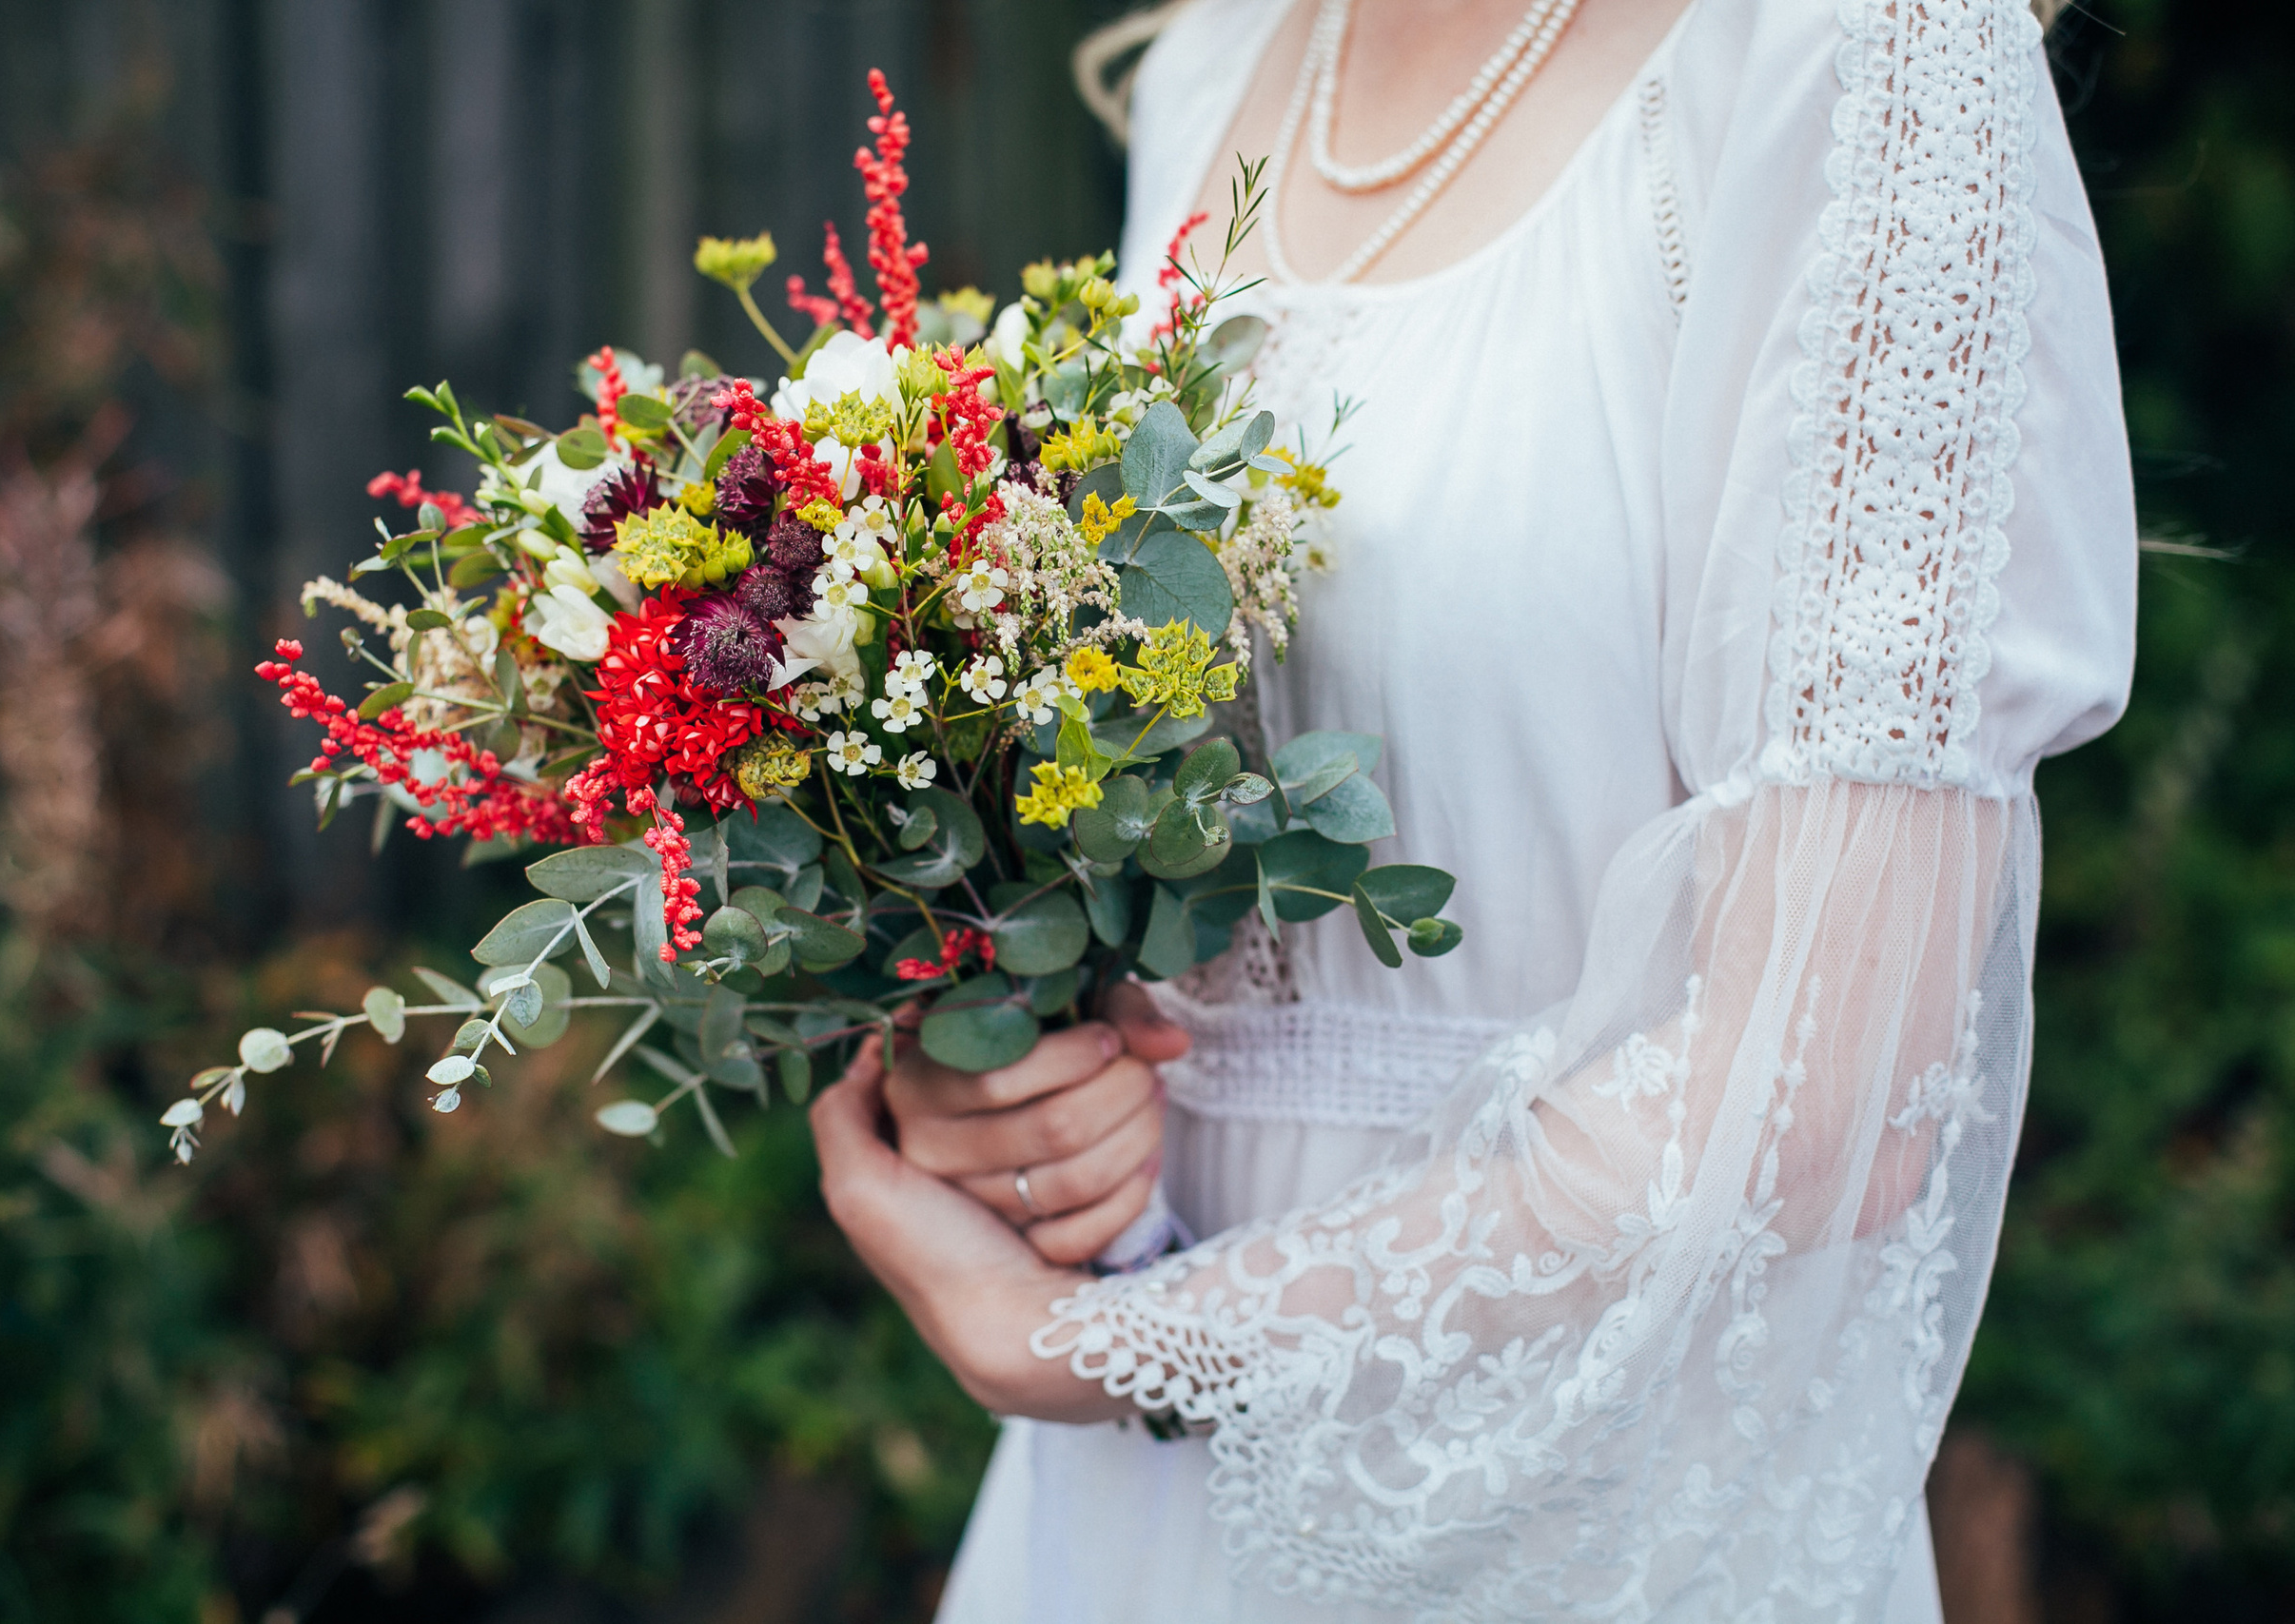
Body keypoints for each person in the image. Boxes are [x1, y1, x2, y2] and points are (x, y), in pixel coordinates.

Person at [812, 0, 2137, 1616]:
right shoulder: (1216, 64)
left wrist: (1118, 1347)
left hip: (1587, 1515)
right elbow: (1161, 870)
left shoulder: (1864, 53)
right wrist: (1018, 1089)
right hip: (1130, 1516)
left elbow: (1815, 1085)